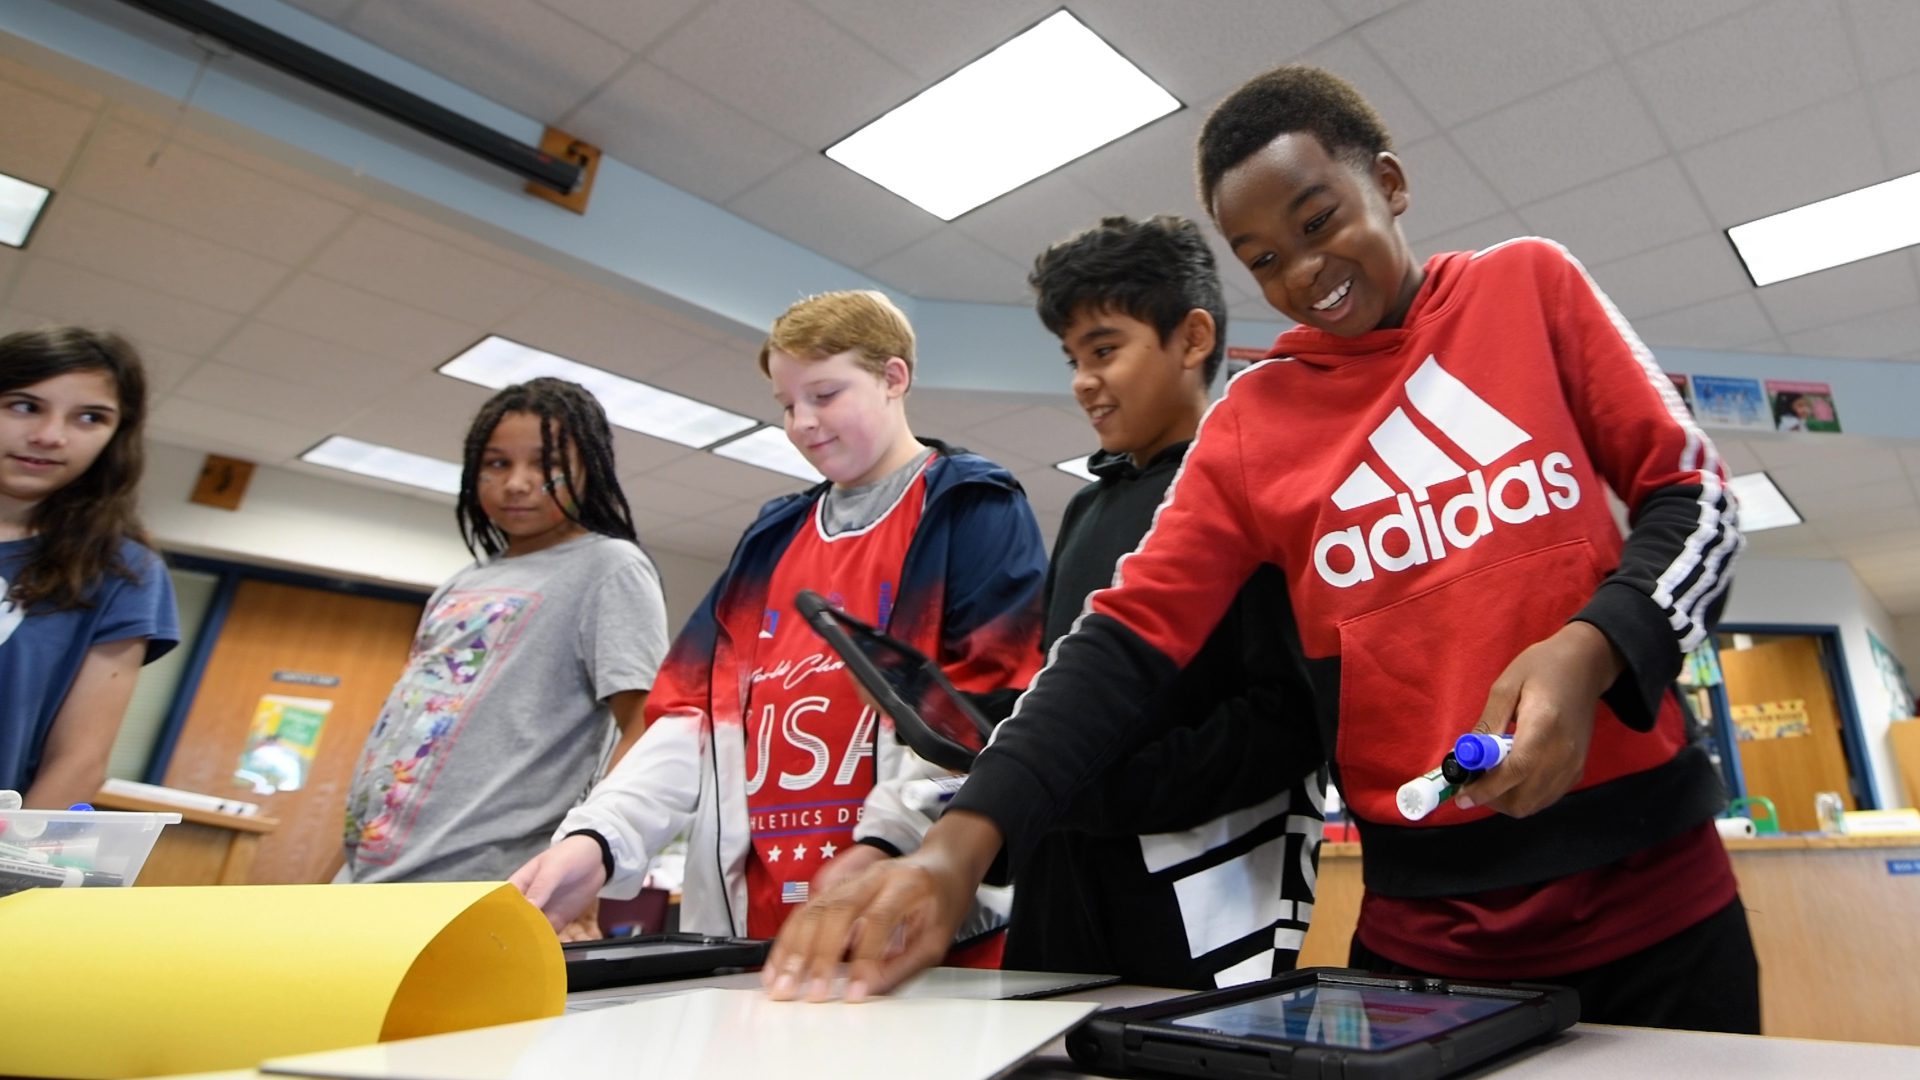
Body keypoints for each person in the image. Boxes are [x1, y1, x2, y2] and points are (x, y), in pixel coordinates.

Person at [769, 65, 1755, 1034]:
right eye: (1265, 258)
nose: (1303, 272)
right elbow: (1121, 644)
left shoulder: (1527, 288)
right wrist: (954, 848)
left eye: (1319, 221)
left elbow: (1694, 499)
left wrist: (1590, 653)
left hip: (1656, 909)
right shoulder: (1253, 424)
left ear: (1392, 183)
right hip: (1429, 944)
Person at [510, 290, 1046, 943]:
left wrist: (887, 844)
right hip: (756, 927)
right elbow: (692, 721)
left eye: (824, 395)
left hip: (906, 924)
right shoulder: (771, 540)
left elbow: (981, 715)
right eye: (787, 405)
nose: (802, 423)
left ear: (893, 378)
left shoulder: (968, 507)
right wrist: (597, 841)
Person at [1010, 214, 1325, 989]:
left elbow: (1290, 719)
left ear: (1191, 339)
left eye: (1105, 349)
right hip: (1063, 876)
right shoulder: (1087, 509)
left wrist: (1106, 788)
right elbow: (1071, 683)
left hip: (1213, 897)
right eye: (1073, 358)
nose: (1083, 378)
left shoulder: (1260, 489)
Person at [338, 377, 669, 884]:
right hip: (372, 869)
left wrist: (589, 862)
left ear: (591, 471)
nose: (517, 482)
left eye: (545, 464)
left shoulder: (609, 567)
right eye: (498, 464)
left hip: (484, 878)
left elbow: (646, 723)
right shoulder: (463, 582)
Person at [1, 327, 179, 808]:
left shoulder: (124, 573)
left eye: (89, 418)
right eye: (24, 405)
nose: (49, 436)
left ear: (115, 437)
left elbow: (79, 760)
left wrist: (11, 866)